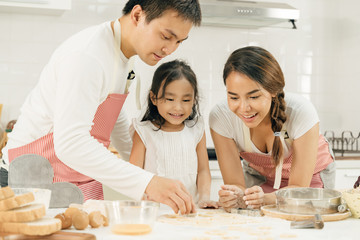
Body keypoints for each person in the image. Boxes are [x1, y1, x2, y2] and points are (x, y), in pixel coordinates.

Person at [1, 0, 202, 214]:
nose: (169, 49)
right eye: (165, 36)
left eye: (179, 41)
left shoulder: (125, 58)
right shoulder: (88, 55)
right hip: (28, 182)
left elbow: (113, 120)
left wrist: (147, 171)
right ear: (137, 16)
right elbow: (71, 143)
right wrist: (146, 181)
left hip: (69, 186)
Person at [209, 46, 336, 211]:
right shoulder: (221, 118)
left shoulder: (301, 112)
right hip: (261, 178)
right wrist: (233, 196)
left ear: (273, 90)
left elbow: (299, 187)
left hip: (309, 180)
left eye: (253, 96)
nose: (243, 108)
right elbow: (236, 185)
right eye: (233, 97)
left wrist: (266, 199)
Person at [129, 60, 218, 209]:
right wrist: (142, 198)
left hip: (189, 210)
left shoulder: (196, 129)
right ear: (154, 98)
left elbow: (203, 170)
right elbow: (133, 174)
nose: (178, 107)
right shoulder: (144, 131)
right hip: (153, 211)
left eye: (186, 100)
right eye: (170, 99)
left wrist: (204, 198)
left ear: (194, 100)